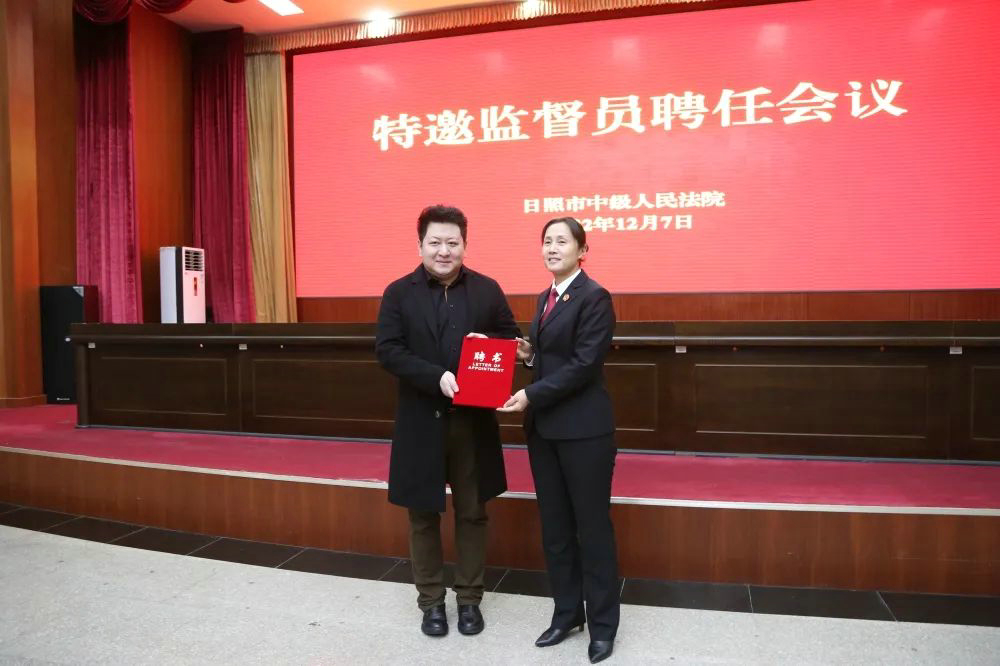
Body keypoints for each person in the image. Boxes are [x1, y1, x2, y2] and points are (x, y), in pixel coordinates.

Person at [375, 204, 520, 638]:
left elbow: (510, 338)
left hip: (472, 424)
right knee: (423, 515)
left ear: (465, 245)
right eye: (435, 242)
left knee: (473, 513)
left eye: (452, 243)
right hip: (421, 421)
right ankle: (431, 602)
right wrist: (434, 377)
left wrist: (489, 343)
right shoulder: (398, 293)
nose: (444, 251)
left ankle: (470, 599)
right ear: (419, 245)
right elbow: (388, 350)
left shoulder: (487, 289)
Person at [499, 216, 619, 664]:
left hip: (584, 433)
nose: (552, 248)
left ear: (582, 250)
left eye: (561, 241)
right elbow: (555, 358)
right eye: (546, 241)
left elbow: (585, 365)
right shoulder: (546, 296)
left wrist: (530, 394)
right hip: (545, 431)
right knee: (555, 530)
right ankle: (567, 613)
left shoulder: (595, 296)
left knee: (593, 530)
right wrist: (529, 357)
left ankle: (603, 626)